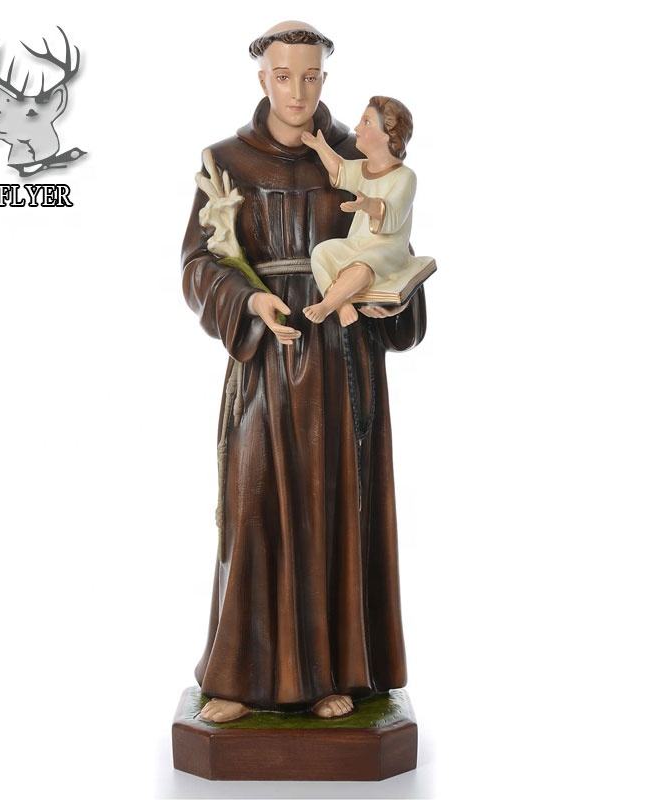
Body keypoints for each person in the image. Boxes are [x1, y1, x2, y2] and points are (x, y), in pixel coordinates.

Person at [180, 20, 427, 724]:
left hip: (342, 363)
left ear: (325, 79)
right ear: (263, 77)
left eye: (311, 77)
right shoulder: (226, 160)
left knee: (332, 510)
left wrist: (390, 297)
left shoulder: (359, 156)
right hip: (266, 358)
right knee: (254, 504)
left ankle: (331, 674)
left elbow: (395, 247)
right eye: (284, 76)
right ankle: (239, 675)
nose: (298, 91)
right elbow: (197, 266)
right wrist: (247, 299)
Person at [302, 97, 431, 327]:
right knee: (321, 253)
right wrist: (321, 147)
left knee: (364, 266)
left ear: (387, 134)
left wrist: (368, 205)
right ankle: (342, 305)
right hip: (357, 243)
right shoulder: (364, 168)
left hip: (388, 249)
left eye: (366, 122)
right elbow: (341, 170)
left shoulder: (404, 177)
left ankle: (326, 305)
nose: (357, 128)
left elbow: (393, 215)